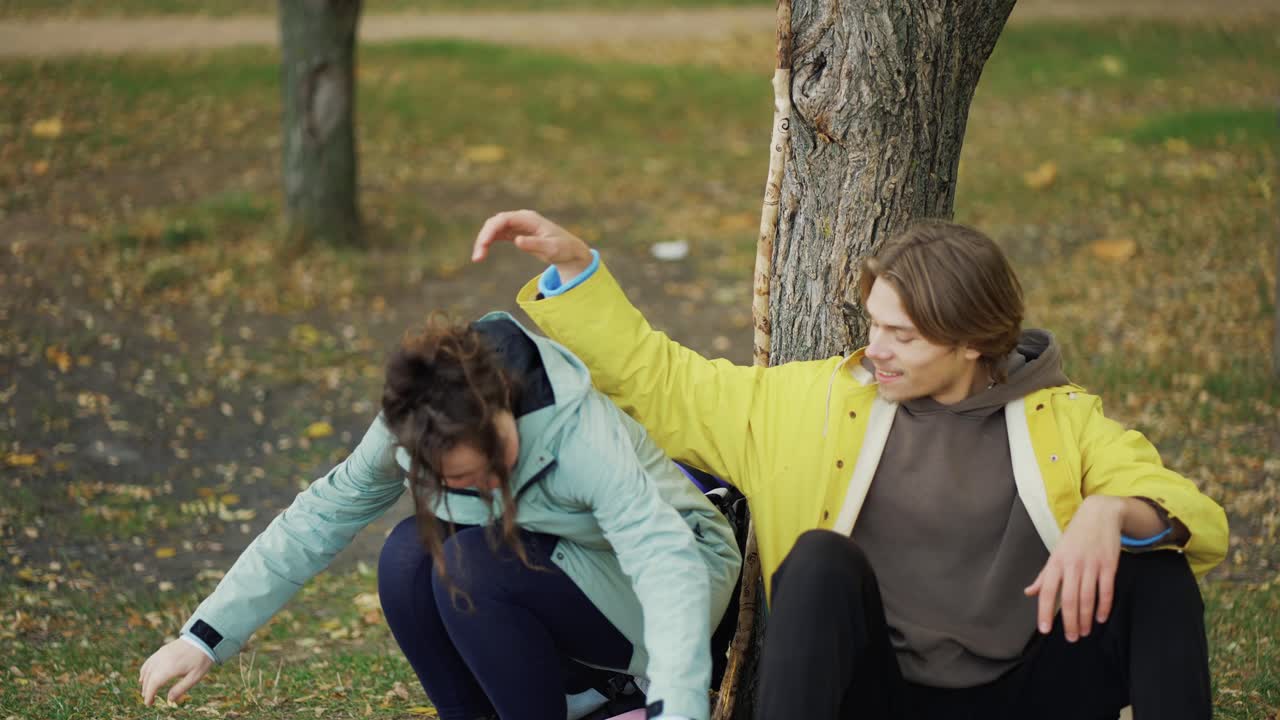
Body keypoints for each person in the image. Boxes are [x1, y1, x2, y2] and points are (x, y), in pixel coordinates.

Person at [471, 210, 1230, 720]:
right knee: (818, 562)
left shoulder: (1060, 418)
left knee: (1154, 573)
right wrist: (576, 271)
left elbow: (1182, 505)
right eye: (873, 325)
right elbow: (666, 386)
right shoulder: (816, 404)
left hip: (1027, 690)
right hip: (881, 695)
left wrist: (1111, 512)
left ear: (972, 342)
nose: (876, 349)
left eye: (902, 335)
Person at [138, 313, 742, 720]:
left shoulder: (579, 434)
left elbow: (668, 566)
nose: (482, 487)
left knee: (472, 563)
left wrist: (677, 708)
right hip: (562, 571)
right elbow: (320, 516)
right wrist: (204, 637)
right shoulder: (412, 423)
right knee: (406, 557)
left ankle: (624, 694)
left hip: (684, 581)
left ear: (504, 409)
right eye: (458, 481)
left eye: (493, 465)